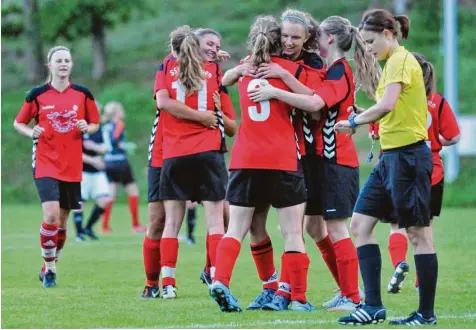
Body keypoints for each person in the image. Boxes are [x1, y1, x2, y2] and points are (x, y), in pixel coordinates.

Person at [249, 15, 379, 311]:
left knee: (336, 228)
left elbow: (316, 104)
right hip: (319, 160)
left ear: (329, 38)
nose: (311, 40)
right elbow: (322, 101)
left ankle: (353, 296)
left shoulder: (338, 71)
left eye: (316, 35)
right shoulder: (333, 70)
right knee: (311, 227)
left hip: (335, 161)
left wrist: (276, 87)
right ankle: (344, 289)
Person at [329, 9, 437, 326]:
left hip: (408, 157)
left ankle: (426, 314)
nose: (369, 47)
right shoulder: (391, 64)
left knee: (418, 236)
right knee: (360, 225)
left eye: (372, 41)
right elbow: (390, 110)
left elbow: (387, 105)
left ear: (389, 34)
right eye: (364, 42)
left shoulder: (402, 61)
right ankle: (373, 306)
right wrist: (363, 116)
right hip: (390, 158)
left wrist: (354, 120)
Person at [221, 8, 327, 311]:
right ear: (275, 37)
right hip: (282, 156)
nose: (290, 42)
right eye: (285, 36)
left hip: (246, 156)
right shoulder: (289, 69)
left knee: (242, 227)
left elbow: (225, 79)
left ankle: (227, 281)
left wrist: (239, 72)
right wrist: (281, 79)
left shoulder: (249, 66)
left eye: (296, 37)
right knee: (289, 230)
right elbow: (316, 106)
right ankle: (291, 295)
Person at [154, 25, 236, 299]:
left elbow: (163, 102)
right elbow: (232, 126)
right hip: (208, 151)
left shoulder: (168, 65)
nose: (215, 49)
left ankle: (168, 284)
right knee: (215, 223)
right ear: (197, 45)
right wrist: (209, 116)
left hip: (175, 153)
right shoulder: (213, 71)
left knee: (171, 224)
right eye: (210, 44)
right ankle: (216, 280)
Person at [368, 53, 460, 295]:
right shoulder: (437, 101)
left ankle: (399, 264)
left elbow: (377, 131)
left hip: (399, 168)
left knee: (396, 225)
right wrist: (435, 142)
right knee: (425, 231)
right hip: (432, 171)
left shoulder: (397, 101)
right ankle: (422, 281)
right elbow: (454, 136)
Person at [13, 45, 100, 288]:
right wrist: (32, 131)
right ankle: (50, 270)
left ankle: (48, 266)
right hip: (45, 162)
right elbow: (18, 122)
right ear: (49, 65)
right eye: (59, 60)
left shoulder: (83, 94)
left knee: (62, 223)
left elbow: (94, 123)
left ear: (71, 65)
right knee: (50, 215)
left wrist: (87, 127)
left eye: (67, 60)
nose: (63, 64)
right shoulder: (37, 94)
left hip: (72, 164)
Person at [101, 101, 147, 233]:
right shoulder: (119, 124)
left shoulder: (105, 126)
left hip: (108, 162)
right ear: (117, 112)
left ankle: (104, 225)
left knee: (111, 194)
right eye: (121, 110)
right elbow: (116, 141)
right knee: (134, 192)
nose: (123, 112)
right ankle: (136, 225)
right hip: (120, 162)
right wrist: (126, 146)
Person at [72, 104, 112, 241]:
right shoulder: (79, 127)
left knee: (104, 200)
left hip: (98, 172)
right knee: (79, 202)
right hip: (82, 171)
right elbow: (74, 152)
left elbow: (106, 148)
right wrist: (93, 160)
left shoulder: (100, 128)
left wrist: (97, 149)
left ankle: (88, 227)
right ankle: (79, 233)